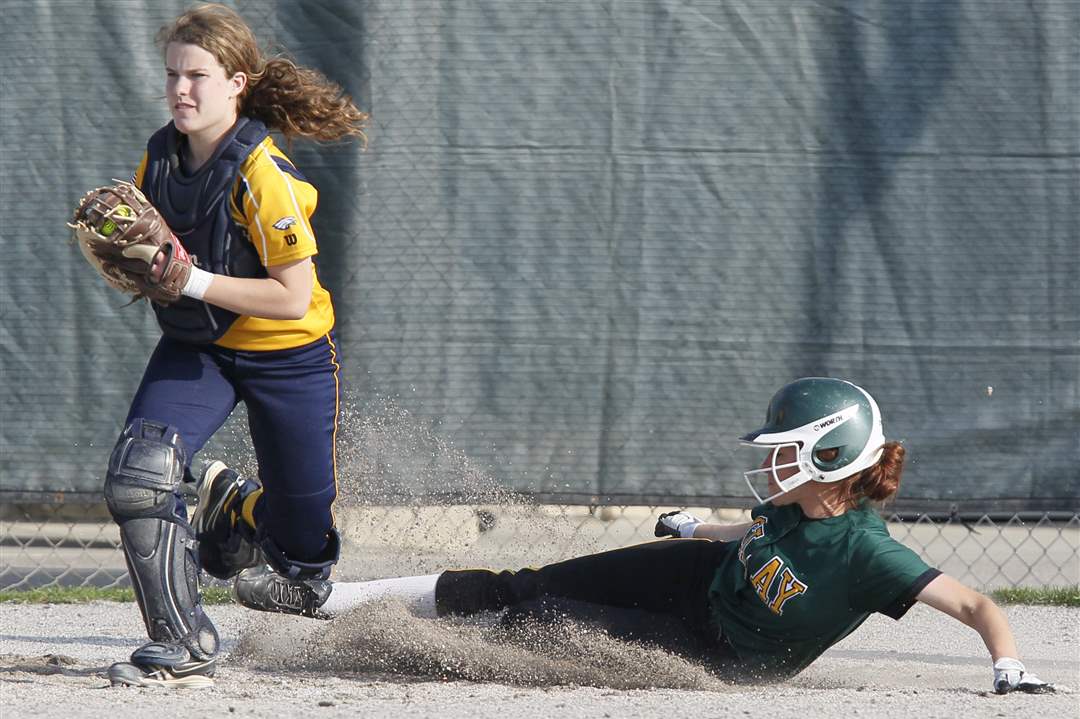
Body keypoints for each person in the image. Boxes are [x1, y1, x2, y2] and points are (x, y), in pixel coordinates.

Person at [316, 377, 1054, 694]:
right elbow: (751, 528)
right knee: (526, 582)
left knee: (541, 623)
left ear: (832, 461)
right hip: (701, 577)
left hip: (722, 652)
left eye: (787, 450)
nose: (770, 461)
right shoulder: (796, 504)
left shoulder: (870, 552)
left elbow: (977, 604)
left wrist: (1008, 668)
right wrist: (695, 527)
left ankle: (403, 651)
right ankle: (328, 599)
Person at [102, 3, 367, 688]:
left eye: (198, 75)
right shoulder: (158, 158)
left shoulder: (261, 171)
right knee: (141, 472)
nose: (180, 90)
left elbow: (289, 295)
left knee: (301, 561)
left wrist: (190, 279)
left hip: (289, 353)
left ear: (237, 83)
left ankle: (239, 509)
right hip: (201, 348)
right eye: (172, 75)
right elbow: (173, 277)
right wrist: (145, 273)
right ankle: (184, 641)